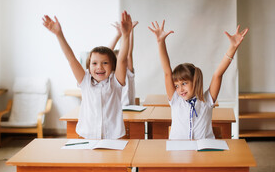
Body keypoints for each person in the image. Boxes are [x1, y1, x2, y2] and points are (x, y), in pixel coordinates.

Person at [149, 20, 248, 140]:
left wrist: (232, 48)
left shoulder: (207, 100)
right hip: (178, 152)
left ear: (194, 81)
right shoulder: (175, 100)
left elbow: (218, 74)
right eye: (177, 85)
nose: (180, 89)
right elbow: (167, 73)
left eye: (184, 83)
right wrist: (160, 42)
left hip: (204, 151)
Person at [42, 11, 132, 139]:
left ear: (112, 66)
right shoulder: (85, 80)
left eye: (105, 63)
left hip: (114, 137)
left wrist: (126, 35)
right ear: (88, 67)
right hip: (87, 137)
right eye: (94, 63)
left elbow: (122, 59)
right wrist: (59, 34)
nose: (99, 67)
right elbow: (71, 58)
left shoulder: (115, 82)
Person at [108, 21, 139, 106]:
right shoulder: (111, 75)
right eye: (118, 61)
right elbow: (106, 55)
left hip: (130, 110)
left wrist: (130, 31)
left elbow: (129, 53)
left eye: (123, 61)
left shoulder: (128, 73)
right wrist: (118, 35)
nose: (121, 63)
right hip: (117, 110)